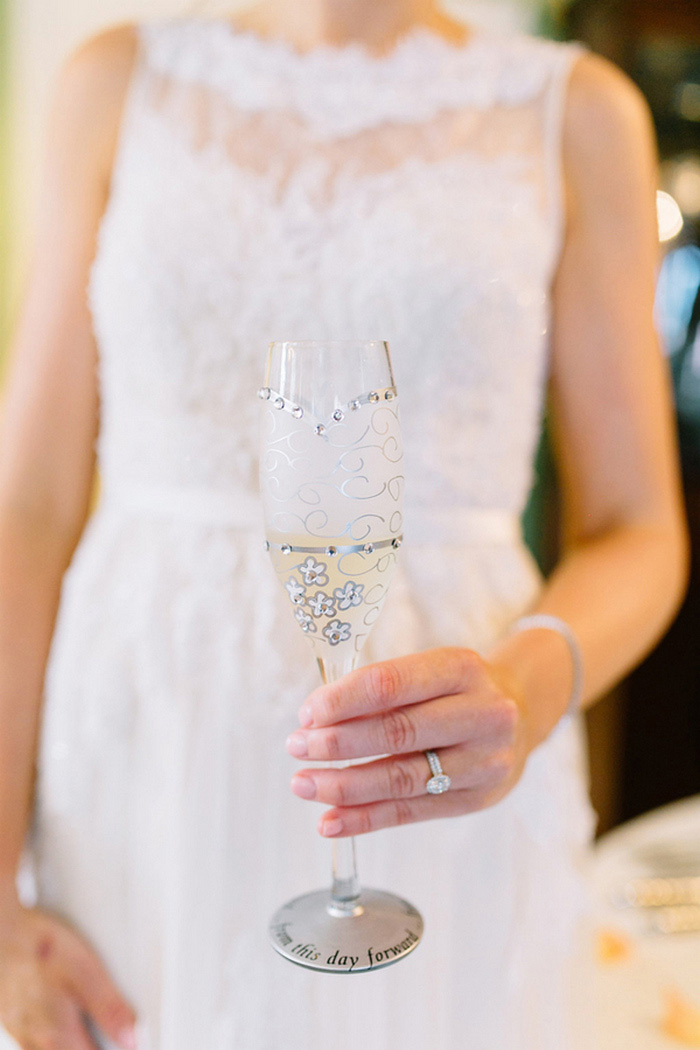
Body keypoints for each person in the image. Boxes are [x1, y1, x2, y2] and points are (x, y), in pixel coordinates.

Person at [0, 1, 688, 1048]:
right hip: (143, 766)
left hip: (445, 777)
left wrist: (525, 685)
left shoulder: (575, 114)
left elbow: (638, 525)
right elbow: (27, 511)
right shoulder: (114, 81)